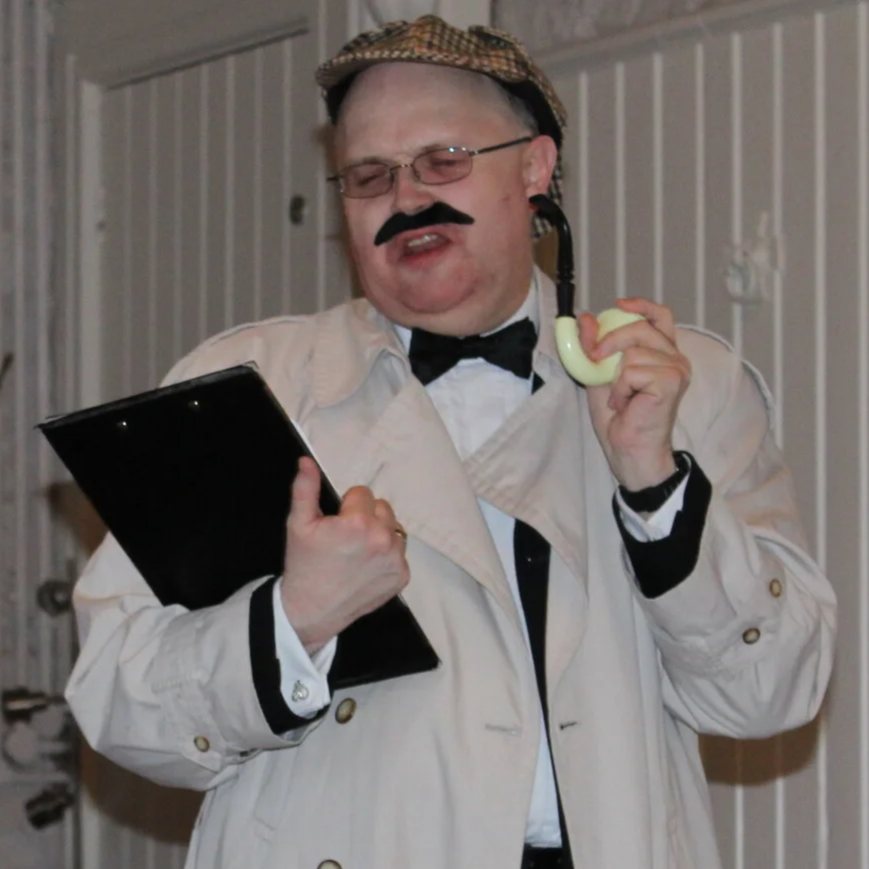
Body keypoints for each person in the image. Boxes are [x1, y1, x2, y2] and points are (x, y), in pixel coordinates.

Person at [65, 15, 836, 869]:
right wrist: (292, 620)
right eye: (368, 175)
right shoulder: (246, 388)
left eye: (443, 161)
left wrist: (655, 487)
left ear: (536, 168)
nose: (405, 198)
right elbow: (118, 704)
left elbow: (774, 694)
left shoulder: (685, 386)